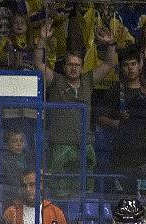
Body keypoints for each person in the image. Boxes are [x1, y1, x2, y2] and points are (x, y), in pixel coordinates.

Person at [33, 21, 117, 196]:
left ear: (81, 67)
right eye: (70, 64)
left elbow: (110, 63)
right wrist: (41, 40)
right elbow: (38, 64)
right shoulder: (56, 81)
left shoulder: (88, 81)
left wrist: (110, 44)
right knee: (60, 192)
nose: (73, 68)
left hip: (84, 146)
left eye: (77, 65)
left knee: (84, 191)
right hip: (60, 146)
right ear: (64, 67)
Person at [2, 169, 69, 224]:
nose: (28, 189)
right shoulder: (11, 212)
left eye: (32, 185)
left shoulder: (56, 212)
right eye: (24, 186)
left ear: (40, 185)